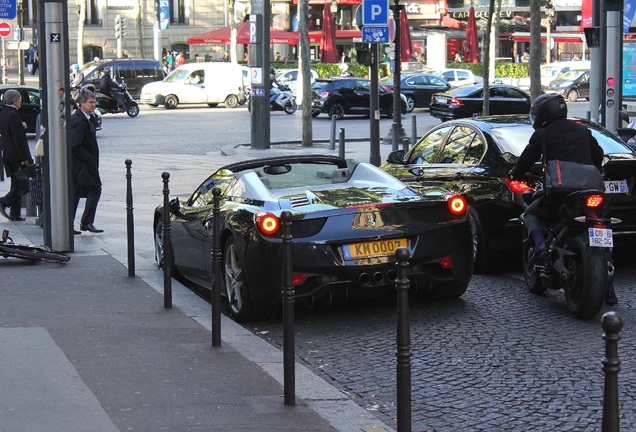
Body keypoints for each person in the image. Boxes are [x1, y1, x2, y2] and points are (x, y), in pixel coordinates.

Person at [508, 94, 603, 264]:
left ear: (543, 114)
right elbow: (598, 154)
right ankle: (608, 279)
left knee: (530, 213)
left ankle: (540, 247)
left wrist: (515, 174)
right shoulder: (582, 129)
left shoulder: (543, 134)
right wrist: (595, 170)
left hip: (561, 190)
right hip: (591, 188)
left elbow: (526, 159)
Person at [70, 89, 103, 234]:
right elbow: (74, 145)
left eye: (94, 102)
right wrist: (87, 158)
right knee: (94, 189)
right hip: (82, 166)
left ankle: (81, 222)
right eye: (90, 102)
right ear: (81, 103)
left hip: (84, 165)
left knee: (77, 193)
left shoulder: (85, 118)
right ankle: (86, 222)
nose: (93, 105)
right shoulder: (79, 120)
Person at [0, 90, 34, 221]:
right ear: (15, 101)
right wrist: (24, 159)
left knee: (16, 183)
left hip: (8, 154)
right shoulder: (13, 115)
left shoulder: (4, 114)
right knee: (23, 185)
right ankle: (4, 202)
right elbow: (17, 139)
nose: (20, 102)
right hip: (16, 156)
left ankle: (15, 212)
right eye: (19, 99)